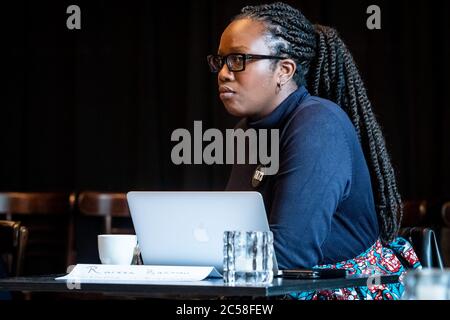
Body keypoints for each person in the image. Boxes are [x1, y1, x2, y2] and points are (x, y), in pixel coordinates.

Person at [207, 2, 421, 300]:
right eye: (221, 61)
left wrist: (201, 260)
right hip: (272, 289)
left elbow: (291, 253)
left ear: (284, 69)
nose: (224, 74)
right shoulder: (247, 131)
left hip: (343, 291)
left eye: (239, 59)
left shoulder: (319, 124)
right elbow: (235, 233)